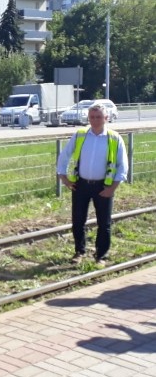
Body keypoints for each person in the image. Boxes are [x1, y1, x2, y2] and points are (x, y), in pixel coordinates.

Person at [56, 103, 128, 264]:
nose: (95, 120)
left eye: (99, 117)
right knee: (78, 220)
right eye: (92, 117)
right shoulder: (80, 135)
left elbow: (122, 165)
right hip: (80, 185)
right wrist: (63, 177)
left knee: (104, 223)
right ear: (88, 118)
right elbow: (64, 155)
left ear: (106, 118)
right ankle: (79, 252)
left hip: (104, 187)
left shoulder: (114, 138)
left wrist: (113, 188)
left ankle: (101, 255)